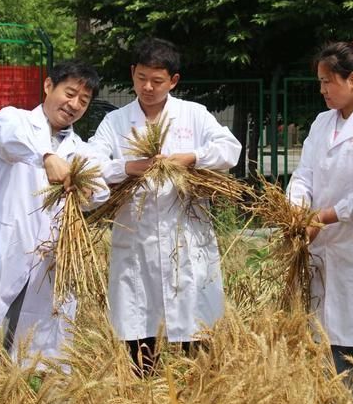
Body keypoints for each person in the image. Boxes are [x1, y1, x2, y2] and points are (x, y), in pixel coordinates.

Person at [88, 37, 241, 374]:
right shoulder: (115, 123)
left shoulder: (193, 115)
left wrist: (193, 157)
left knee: (196, 333)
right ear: (132, 74)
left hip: (187, 242)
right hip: (136, 244)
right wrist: (127, 167)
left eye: (157, 81)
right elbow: (90, 162)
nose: (148, 87)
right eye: (141, 78)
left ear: (173, 81)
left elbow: (230, 149)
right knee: (139, 332)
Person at [0, 60, 108, 367]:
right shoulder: (13, 120)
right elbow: (6, 136)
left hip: (49, 261)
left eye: (84, 100)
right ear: (48, 85)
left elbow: (100, 187)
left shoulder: (82, 150)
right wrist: (47, 156)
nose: (74, 104)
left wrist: (88, 192)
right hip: (5, 249)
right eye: (70, 93)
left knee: (36, 358)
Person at [286, 38, 353, 404]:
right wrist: (297, 209)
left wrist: (325, 216)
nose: (322, 90)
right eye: (319, 82)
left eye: (327, 81)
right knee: (332, 348)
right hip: (325, 252)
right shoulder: (321, 123)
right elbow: (304, 175)